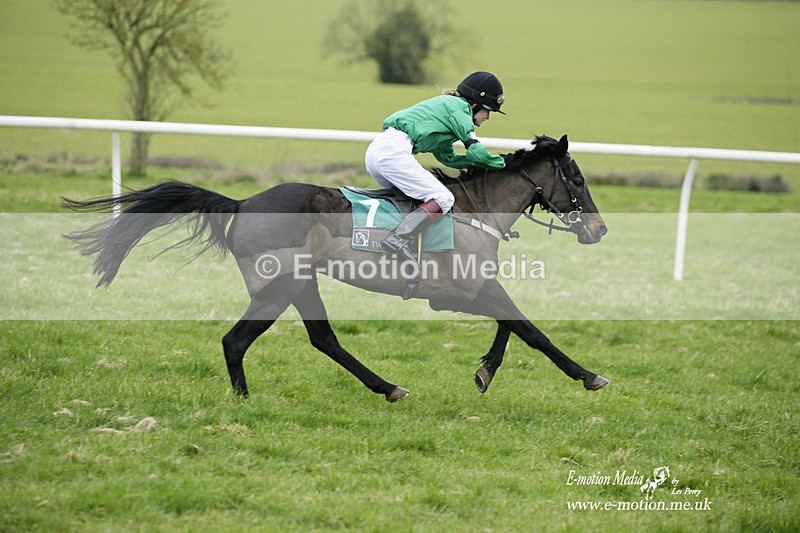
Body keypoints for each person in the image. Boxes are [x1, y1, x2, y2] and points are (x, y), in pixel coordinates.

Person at [365, 71, 509, 262]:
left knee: (413, 201)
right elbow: (476, 151)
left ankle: (401, 246)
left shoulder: (448, 109)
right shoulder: (459, 108)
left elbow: (448, 158)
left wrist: (477, 164)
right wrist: (504, 164)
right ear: (475, 105)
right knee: (443, 198)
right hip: (392, 152)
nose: (488, 117)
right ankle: (396, 241)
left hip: (379, 151)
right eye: (488, 111)